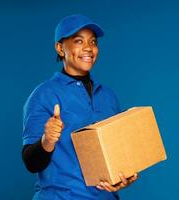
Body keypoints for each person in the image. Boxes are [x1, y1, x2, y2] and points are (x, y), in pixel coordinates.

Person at [22, 14, 138, 200]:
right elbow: (31, 163)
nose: (88, 48)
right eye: (78, 41)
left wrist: (124, 177)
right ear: (60, 48)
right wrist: (47, 141)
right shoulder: (44, 94)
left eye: (93, 42)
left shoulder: (108, 96)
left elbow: (116, 154)